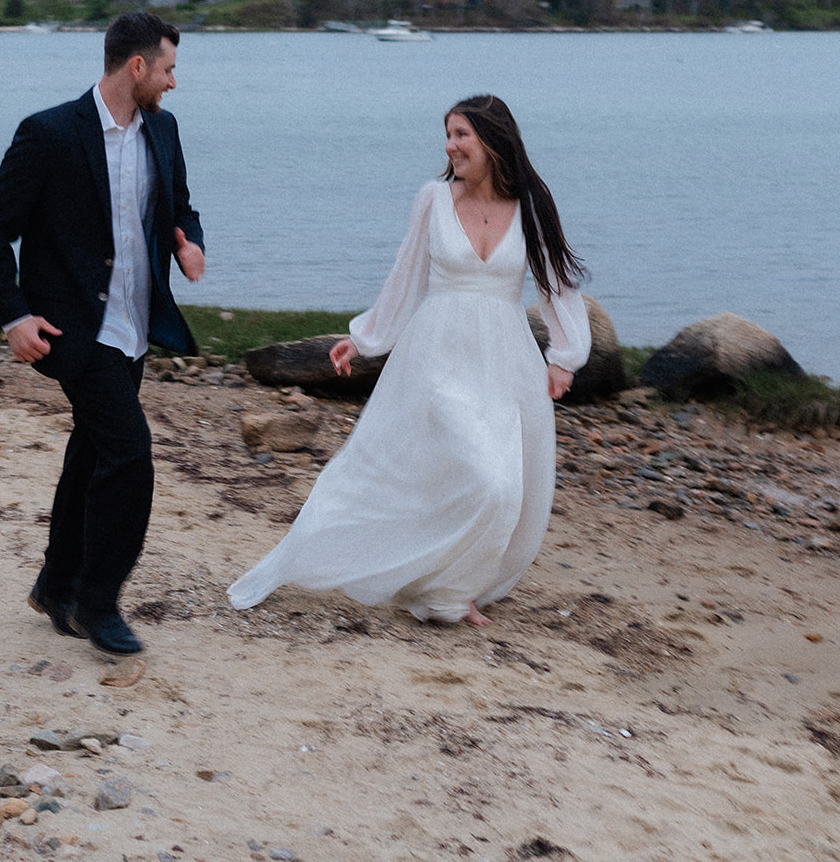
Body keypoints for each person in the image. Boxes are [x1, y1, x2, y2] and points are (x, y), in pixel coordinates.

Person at [228, 94, 590, 626]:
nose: (450, 145)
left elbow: (557, 282)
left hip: (506, 362)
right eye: (448, 134)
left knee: (506, 484)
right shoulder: (433, 199)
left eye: (461, 134)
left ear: (493, 139)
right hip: (437, 357)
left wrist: (565, 356)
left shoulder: (531, 205)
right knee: (480, 474)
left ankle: (452, 586)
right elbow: (406, 277)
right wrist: (366, 337)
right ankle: (431, 587)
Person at [0, 11, 205, 655]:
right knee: (129, 454)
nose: (173, 83)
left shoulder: (164, 130)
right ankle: (98, 603)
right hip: (74, 330)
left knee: (94, 447)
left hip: (134, 325)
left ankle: (56, 583)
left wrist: (190, 242)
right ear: (137, 67)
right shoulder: (48, 133)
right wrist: (13, 316)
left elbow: (180, 205)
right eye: (168, 69)